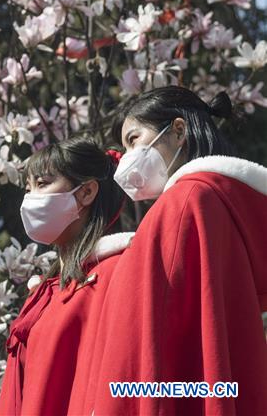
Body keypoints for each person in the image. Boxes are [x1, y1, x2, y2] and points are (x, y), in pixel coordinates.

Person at [80, 86, 267, 414]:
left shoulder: (184, 202)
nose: (127, 158)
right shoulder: (222, 201)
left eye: (134, 139)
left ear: (178, 131)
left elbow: (149, 325)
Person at [0, 137, 132, 415]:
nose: (29, 199)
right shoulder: (44, 291)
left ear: (87, 192)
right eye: (28, 189)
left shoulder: (115, 274)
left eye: (42, 184)